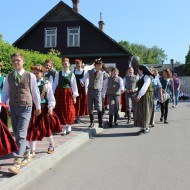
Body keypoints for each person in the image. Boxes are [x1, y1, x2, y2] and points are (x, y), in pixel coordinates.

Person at [2, 52, 41, 175]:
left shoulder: (30, 76)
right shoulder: (9, 76)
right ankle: (27, 151)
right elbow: (5, 93)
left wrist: (38, 106)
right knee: (17, 133)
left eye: (18, 60)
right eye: (13, 61)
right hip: (13, 107)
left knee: (22, 133)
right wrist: (2, 104)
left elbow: (35, 92)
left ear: (23, 61)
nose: (15, 63)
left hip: (26, 107)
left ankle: (17, 162)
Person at [27, 65, 62, 157]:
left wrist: (50, 107)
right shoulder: (30, 83)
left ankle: (51, 145)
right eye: (33, 73)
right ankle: (32, 150)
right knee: (32, 128)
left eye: (37, 73)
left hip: (43, 108)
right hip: (33, 108)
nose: (35, 75)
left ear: (42, 73)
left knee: (45, 128)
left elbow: (50, 97)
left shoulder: (46, 83)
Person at [53, 57, 79, 135]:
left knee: (69, 109)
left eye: (66, 64)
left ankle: (69, 125)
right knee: (61, 110)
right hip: (59, 93)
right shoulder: (58, 73)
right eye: (63, 64)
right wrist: (52, 94)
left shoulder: (72, 74)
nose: (64, 65)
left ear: (69, 65)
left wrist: (74, 96)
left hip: (68, 93)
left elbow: (74, 85)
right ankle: (64, 127)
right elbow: (55, 84)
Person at [80, 58, 104, 128]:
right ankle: (92, 122)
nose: (100, 66)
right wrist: (82, 82)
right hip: (90, 90)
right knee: (90, 107)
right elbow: (83, 79)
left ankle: (100, 123)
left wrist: (102, 92)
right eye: (99, 65)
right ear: (96, 65)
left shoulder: (101, 73)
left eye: (101, 65)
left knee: (99, 107)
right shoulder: (89, 72)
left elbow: (101, 83)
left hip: (98, 91)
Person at [134, 65, 154, 134]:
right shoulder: (141, 76)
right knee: (140, 111)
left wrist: (139, 96)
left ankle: (146, 128)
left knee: (146, 110)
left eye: (139, 70)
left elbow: (145, 87)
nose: (138, 71)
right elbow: (140, 86)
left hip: (147, 95)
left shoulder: (147, 77)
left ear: (142, 70)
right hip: (142, 94)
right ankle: (142, 127)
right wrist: (135, 90)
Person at [73, 59, 88, 124]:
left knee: (80, 103)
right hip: (75, 89)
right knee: (75, 103)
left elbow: (86, 81)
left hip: (82, 89)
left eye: (79, 63)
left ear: (81, 64)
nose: (78, 65)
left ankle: (78, 117)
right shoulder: (73, 72)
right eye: (77, 64)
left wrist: (86, 90)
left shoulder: (84, 72)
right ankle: (76, 117)